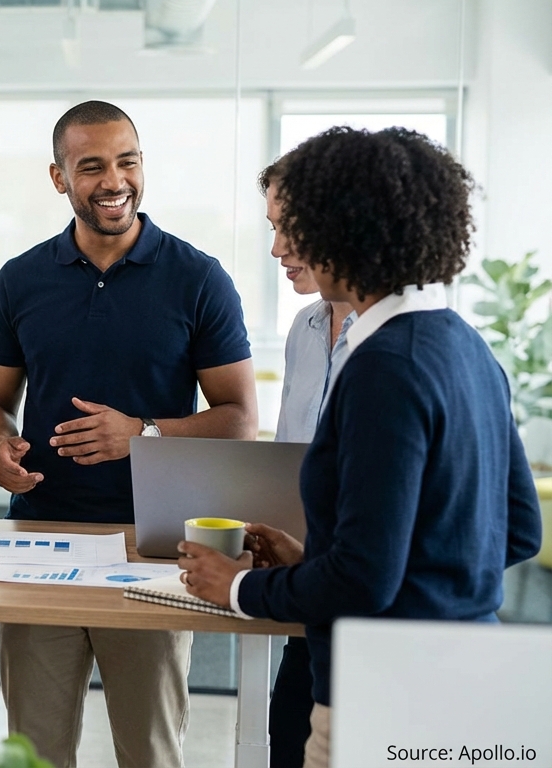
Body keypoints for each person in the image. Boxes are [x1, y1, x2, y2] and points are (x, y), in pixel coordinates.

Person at [178, 126, 544, 768]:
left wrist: (236, 587)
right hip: (472, 681)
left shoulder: (383, 365)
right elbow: (516, 530)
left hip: (384, 693)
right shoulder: (464, 346)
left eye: (297, 225)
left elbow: (364, 582)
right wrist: (321, 557)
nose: (283, 246)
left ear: (339, 229)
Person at [0, 100, 258, 768]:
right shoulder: (19, 280)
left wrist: (144, 433)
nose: (113, 179)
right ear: (58, 176)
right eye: (92, 165)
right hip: (39, 538)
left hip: (155, 546)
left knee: (150, 750)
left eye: (127, 160)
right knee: (33, 752)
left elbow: (239, 417)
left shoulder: (198, 278)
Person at [260, 156, 355, 768]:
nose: (277, 248)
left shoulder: (410, 349)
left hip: (374, 616)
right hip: (311, 595)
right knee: (289, 734)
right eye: (270, 226)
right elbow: (295, 456)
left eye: (289, 226)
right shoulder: (306, 326)